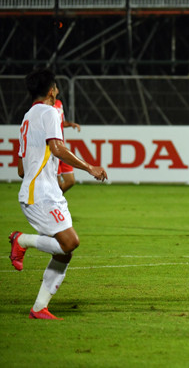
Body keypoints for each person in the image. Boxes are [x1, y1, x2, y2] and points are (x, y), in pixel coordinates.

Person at [8, 68, 108, 320]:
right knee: (70, 243)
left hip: (41, 191)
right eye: (56, 87)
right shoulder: (50, 112)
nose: (58, 91)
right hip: (41, 194)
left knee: (64, 251)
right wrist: (89, 167)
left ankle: (39, 307)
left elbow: (21, 168)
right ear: (51, 90)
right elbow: (58, 147)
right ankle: (21, 240)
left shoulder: (27, 117)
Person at [53, 97, 81, 193]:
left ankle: (57, 200)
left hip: (62, 147)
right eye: (55, 88)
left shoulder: (59, 103)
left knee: (70, 181)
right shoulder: (46, 107)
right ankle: (55, 203)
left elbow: (62, 122)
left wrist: (71, 124)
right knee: (57, 185)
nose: (57, 90)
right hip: (53, 149)